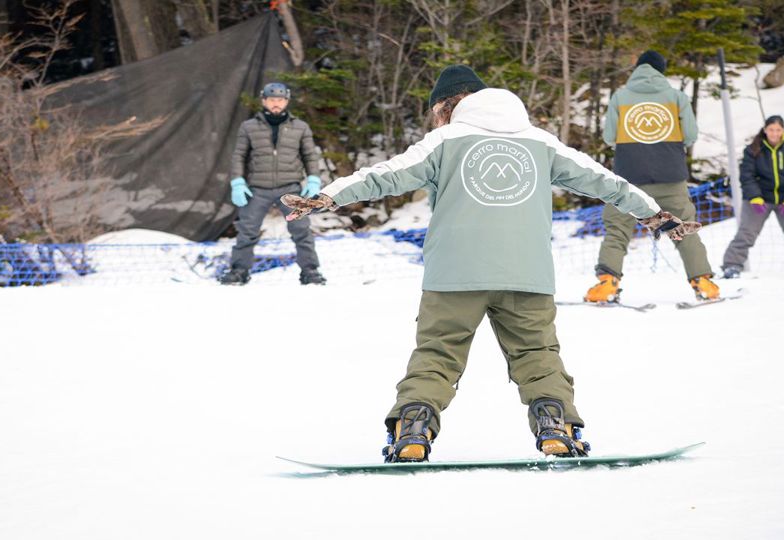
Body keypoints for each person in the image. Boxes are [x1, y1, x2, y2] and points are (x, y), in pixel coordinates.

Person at [282, 65, 700, 462]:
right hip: (527, 273)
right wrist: (652, 212)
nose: (435, 121)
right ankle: (556, 428)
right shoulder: (540, 141)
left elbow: (386, 174)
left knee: (437, 355)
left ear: (448, 105)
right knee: (538, 355)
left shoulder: (444, 141)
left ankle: (412, 431)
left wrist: (329, 196)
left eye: (435, 112)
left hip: (454, 274)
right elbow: (605, 181)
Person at [584, 50, 720, 304]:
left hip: (629, 177)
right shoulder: (676, 97)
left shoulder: (621, 97)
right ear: (661, 70)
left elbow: (609, 137)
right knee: (684, 228)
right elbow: (690, 135)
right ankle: (703, 281)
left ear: (637, 69)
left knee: (618, 229)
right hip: (671, 175)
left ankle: (606, 283)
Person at [218, 82, 327, 286]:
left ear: (286, 101)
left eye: (280, 100)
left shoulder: (300, 127)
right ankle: (239, 271)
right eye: (272, 100)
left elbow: (310, 156)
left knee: (301, 230)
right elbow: (239, 156)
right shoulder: (249, 127)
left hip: (291, 188)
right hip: (257, 189)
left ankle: (310, 271)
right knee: (247, 231)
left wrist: (313, 179)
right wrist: (238, 182)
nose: (276, 104)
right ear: (264, 101)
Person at [721, 115, 784, 279]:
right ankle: (731, 266)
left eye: (778, 130)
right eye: (771, 129)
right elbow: (747, 176)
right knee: (746, 233)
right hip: (759, 200)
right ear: (765, 130)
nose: (774, 133)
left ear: (783, 130)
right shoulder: (753, 149)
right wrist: (755, 197)